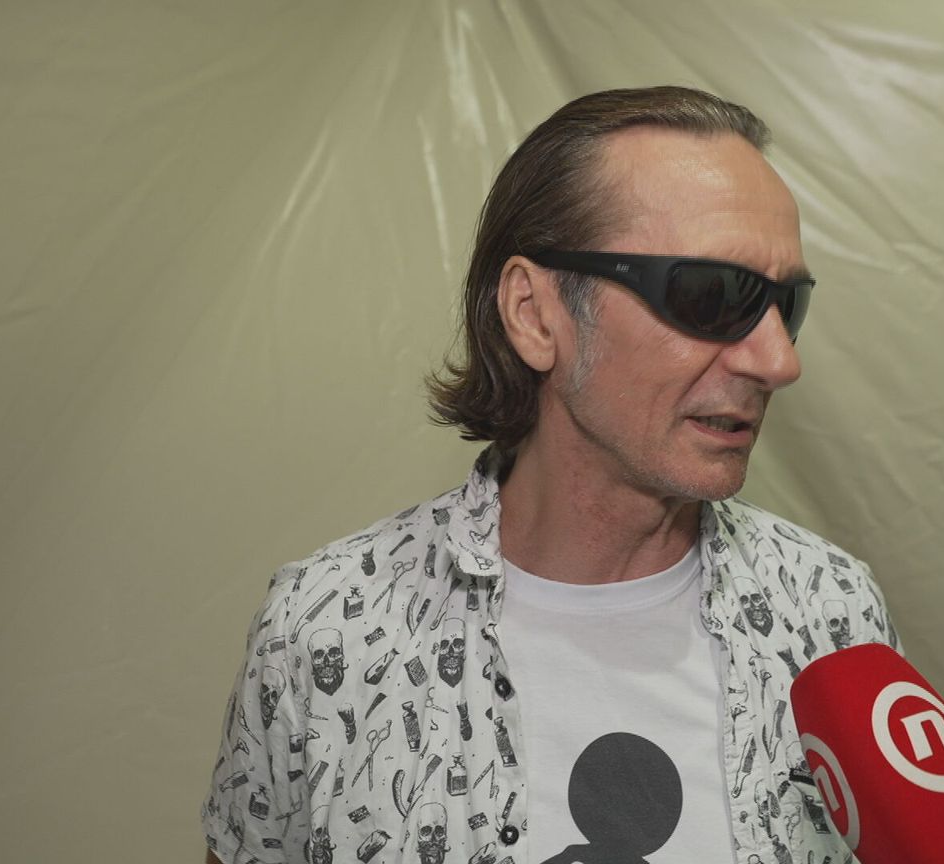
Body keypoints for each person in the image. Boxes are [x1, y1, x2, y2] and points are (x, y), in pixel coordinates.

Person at [201, 85, 899, 864]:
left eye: (786, 304)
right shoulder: (326, 630)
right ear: (535, 314)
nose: (779, 360)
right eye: (711, 294)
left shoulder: (831, 611)